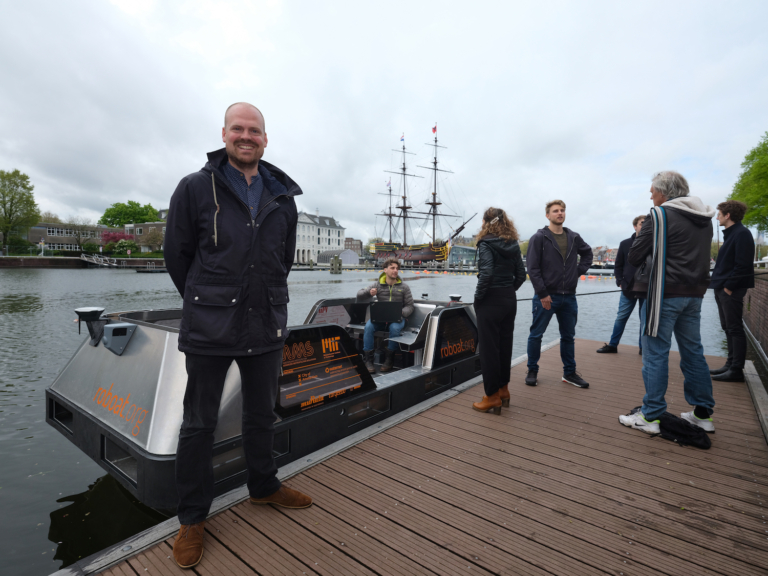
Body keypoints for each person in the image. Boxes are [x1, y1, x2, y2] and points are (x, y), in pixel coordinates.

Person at [164, 103, 312, 569]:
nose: (246, 136)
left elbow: (282, 259)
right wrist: (208, 297)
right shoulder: (194, 187)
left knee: (261, 414)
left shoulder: (282, 197)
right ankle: (192, 518)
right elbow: (177, 256)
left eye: (255, 130)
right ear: (224, 134)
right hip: (211, 324)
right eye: (238, 129)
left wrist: (260, 297)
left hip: (265, 319)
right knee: (198, 424)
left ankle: (264, 486)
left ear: (265, 139)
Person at [619, 171, 715, 435]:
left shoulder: (659, 216)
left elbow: (635, 257)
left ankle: (649, 417)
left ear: (665, 192)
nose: (650, 195)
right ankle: (702, 414)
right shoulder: (705, 219)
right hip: (694, 295)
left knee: (655, 354)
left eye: (653, 191)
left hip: (664, 295)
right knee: (693, 353)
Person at [525, 200, 593, 388]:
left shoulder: (573, 236)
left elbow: (588, 254)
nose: (560, 213)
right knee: (536, 335)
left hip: (569, 296)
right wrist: (543, 293)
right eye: (555, 211)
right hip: (546, 296)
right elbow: (533, 268)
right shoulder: (539, 238)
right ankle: (532, 370)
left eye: (562, 210)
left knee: (568, 337)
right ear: (548, 215)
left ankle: (569, 373)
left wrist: (577, 271)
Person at [471, 208, 527, 414]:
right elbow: (521, 275)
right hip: (508, 299)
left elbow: (486, 273)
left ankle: (491, 396)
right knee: (504, 345)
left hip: (490, 299)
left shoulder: (486, 243)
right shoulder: (512, 244)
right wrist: (508, 291)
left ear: (486, 222)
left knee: (488, 350)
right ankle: (503, 390)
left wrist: (478, 298)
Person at [709, 200, 755, 382]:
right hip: (722, 287)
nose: (717, 216)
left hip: (730, 289)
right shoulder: (732, 234)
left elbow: (742, 265)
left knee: (735, 328)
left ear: (728, 215)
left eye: (719, 213)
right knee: (727, 327)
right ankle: (730, 364)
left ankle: (736, 370)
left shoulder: (742, 234)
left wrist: (729, 287)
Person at [596, 216, 646, 355]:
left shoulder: (654, 243)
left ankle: (643, 348)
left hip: (648, 289)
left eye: (647, 224)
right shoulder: (625, 244)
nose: (645, 225)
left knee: (645, 319)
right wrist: (620, 281)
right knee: (621, 317)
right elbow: (618, 265)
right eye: (642, 223)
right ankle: (613, 345)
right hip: (628, 288)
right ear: (635, 226)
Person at [357, 258, 414, 372]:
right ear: (385, 270)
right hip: (380, 319)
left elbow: (410, 306)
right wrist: (369, 293)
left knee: (394, 328)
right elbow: (359, 295)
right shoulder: (377, 285)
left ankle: (389, 359)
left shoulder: (404, 287)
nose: (395, 270)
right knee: (368, 327)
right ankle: (368, 360)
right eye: (392, 268)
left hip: (398, 318)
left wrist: (402, 312)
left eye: (397, 268)